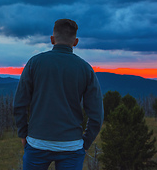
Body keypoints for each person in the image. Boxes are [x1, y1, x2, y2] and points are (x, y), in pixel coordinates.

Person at [13, 19, 104, 170]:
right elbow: (96, 114)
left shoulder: (34, 63)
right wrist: (85, 143)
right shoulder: (85, 69)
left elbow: (19, 104)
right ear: (75, 42)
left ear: (52, 39)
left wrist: (23, 134)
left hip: (37, 142)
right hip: (71, 146)